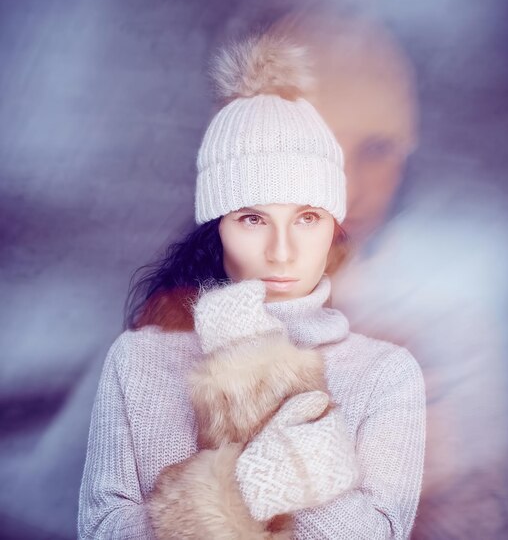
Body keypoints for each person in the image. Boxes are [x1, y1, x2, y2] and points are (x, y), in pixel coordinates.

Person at [78, 31, 426, 539]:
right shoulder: (140, 360)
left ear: (335, 227)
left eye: (307, 217)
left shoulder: (385, 375)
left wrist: (265, 394)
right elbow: (101, 531)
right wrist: (268, 478)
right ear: (216, 225)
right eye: (252, 219)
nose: (281, 250)